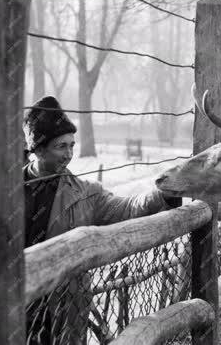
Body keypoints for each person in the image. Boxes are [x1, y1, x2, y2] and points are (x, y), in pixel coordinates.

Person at [22, 96, 179, 344]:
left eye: (72, 145)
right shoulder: (5, 190)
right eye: (61, 146)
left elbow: (127, 208)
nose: (69, 154)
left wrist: (163, 194)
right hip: (14, 305)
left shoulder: (85, 193)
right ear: (39, 149)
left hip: (62, 309)